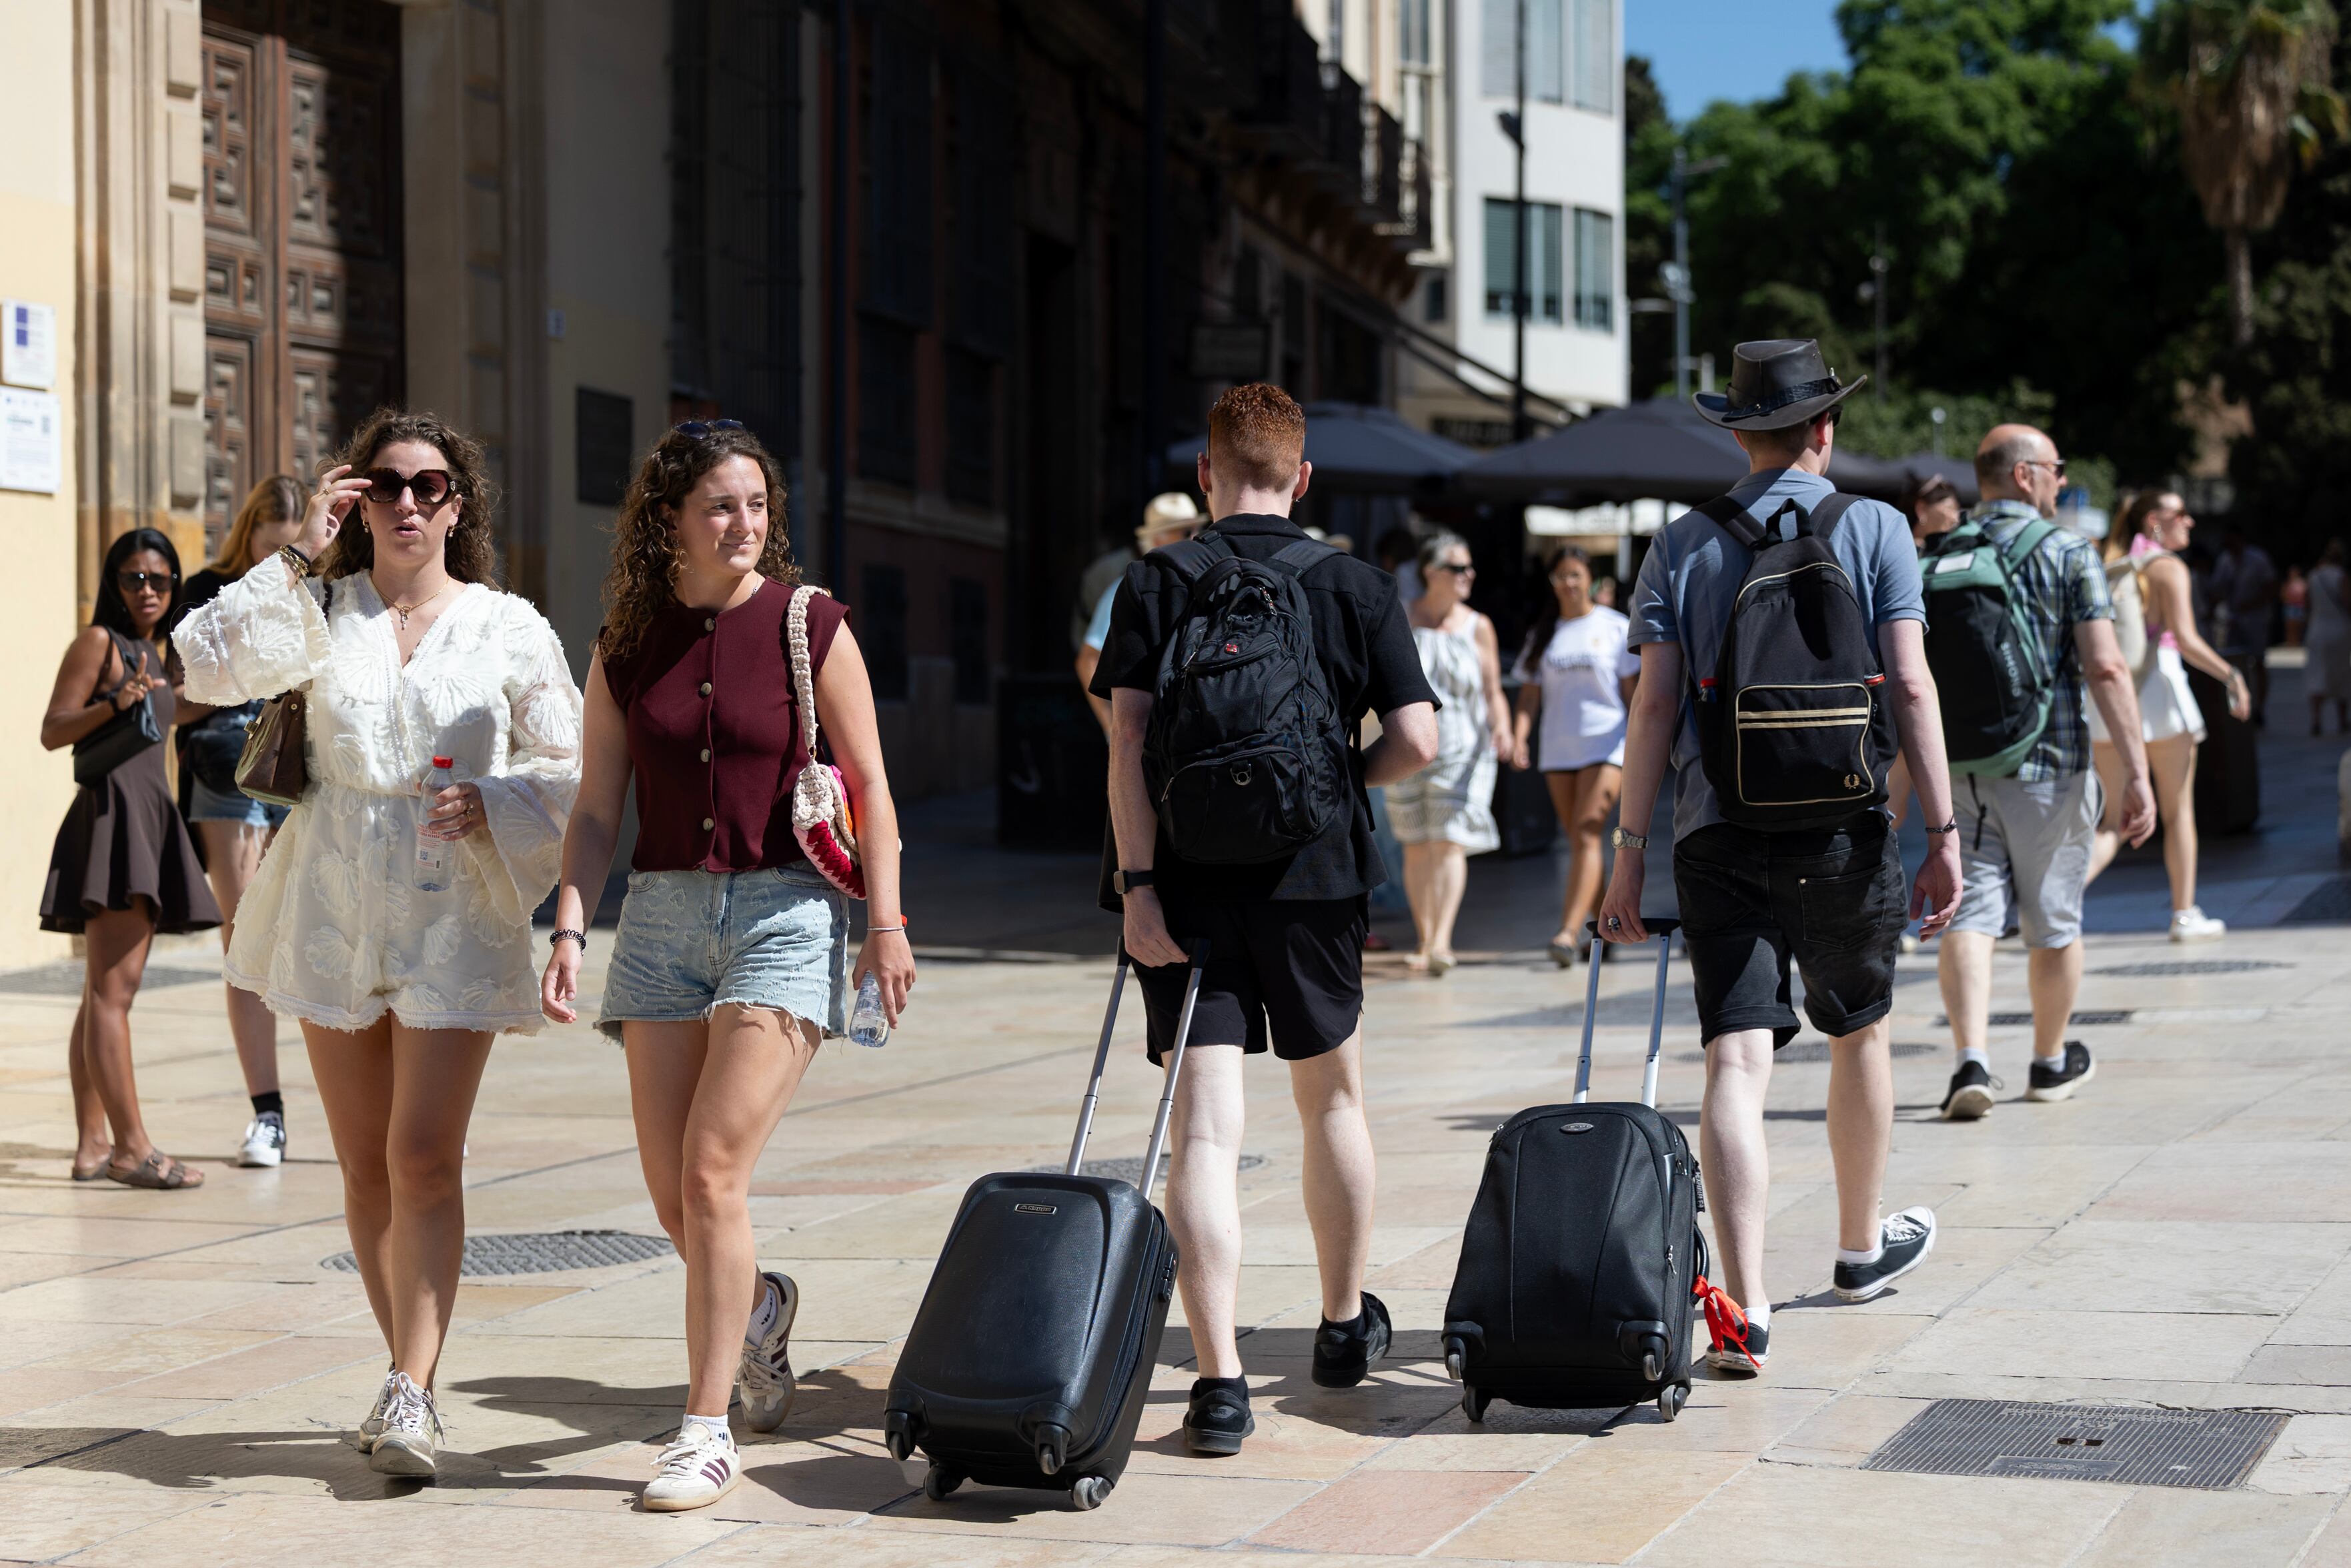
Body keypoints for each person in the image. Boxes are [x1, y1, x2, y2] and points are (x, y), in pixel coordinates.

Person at [174, 408, 582, 1479]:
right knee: (362, 1164)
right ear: (363, 499)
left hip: (454, 912)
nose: (410, 501)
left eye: (432, 484)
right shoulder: (322, 608)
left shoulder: (508, 625)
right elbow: (200, 663)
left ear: (461, 503)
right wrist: (301, 546)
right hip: (331, 899)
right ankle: (405, 1372)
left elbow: (572, 767)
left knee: (420, 1154)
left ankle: (413, 1388)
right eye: (389, 483)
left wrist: (497, 804)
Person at [541, 420, 915, 1512]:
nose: (744, 524)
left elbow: (872, 787)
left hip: (787, 917)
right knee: (673, 1197)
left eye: (756, 505)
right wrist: (569, 926)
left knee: (712, 1173)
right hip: (658, 921)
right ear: (671, 520)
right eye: (720, 506)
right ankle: (758, 1307)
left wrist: (884, 923)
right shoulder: (626, 643)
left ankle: (705, 1431)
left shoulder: (812, 624)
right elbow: (596, 810)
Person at [1597, 339, 1964, 1373]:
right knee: (1860, 1029)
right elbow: (1911, 684)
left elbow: (1654, 704)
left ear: (1737, 433)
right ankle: (1857, 1245)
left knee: (1735, 1056)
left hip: (1715, 829)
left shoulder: (1680, 543)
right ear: (1824, 428)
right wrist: (1939, 832)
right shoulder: (1879, 526)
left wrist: (1627, 853)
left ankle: (1745, 1310)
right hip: (1845, 825)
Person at [1091, 382, 1438, 1457]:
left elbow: (1125, 746)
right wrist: (1341, 782)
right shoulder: (1354, 584)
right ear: (1302, 477)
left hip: (1185, 887)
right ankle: (1341, 1326)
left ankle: (1219, 1383)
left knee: (1202, 1129)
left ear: (1205, 471)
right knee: (1331, 1097)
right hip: (1318, 880)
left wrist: (1138, 886)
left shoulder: (1155, 582)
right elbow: (1421, 740)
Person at [1935, 425, 2155, 1124]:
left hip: (1962, 765)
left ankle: (1971, 1058)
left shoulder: (1941, 551)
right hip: (2050, 762)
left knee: (1970, 914)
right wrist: (2138, 771)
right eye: (2056, 469)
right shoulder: (2067, 552)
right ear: (2026, 475)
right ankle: (2050, 1059)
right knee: (2053, 917)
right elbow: (2107, 665)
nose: (2062, 481)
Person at [41, 528, 221, 1189]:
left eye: (161, 580)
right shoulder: (101, 645)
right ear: (112, 584)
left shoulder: (157, 652)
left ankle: (93, 1143)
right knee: (115, 996)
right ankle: (131, 1147)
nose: (148, 590)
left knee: (101, 996)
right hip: (114, 823)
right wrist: (115, 701)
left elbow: (178, 712)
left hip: (147, 820)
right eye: (133, 578)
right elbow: (52, 728)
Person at [170, 475, 305, 1167]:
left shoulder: (318, 588)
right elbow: (182, 694)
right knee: (245, 934)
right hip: (226, 771)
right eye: (268, 548)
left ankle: (387, 1106)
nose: (277, 562)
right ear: (248, 534)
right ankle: (268, 1113)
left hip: (301, 775)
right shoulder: (206, 591)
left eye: (291, 550)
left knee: (318, 929)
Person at [2084, 491, 2250, 940]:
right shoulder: (2167, 568)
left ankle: (2050, 904)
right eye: (2181, 514)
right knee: (2178, 813)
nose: (2190, 522)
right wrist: (2231, 675)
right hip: (2160, 694)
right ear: (2155, 521)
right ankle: (2183, 913)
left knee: (2111, 820)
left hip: (2110, 701)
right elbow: (2187, 639)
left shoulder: (2110, 563)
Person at [1383, 534, 1508, 974]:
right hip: (1407, 746)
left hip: (1463, 746)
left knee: (1449, 842)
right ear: (1431, 572)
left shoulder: (1478, 625)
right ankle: (1423, 938)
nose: (1468, 575)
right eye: (1458, 567)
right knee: (1416, 845)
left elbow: (1492, 690)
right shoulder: (1402, 618)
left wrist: (1506, 730)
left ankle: (1441, 940)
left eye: (1469, 567)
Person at [1510, 544, 1639, 968]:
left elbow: (1631, 694)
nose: (1568, 583)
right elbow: (1529, 696)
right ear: (1552, 582)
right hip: (1559, 747)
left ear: (1590, 580)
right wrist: (1519, 737)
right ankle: (1612, 929)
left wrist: (1645, 744)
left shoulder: (1616, 627)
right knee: (1581, 842)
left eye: (1576, 575)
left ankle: (1568, 932)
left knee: (1586, 831)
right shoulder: (1543, 634)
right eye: (1561, 575)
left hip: (1607, 743)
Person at [1075, 492, 1202, 735]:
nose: (1195, 537)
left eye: (1198, 529)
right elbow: (1088, 659)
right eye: (1186, 532)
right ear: (1157, 539)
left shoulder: (1199, 583)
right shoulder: (1129, 588)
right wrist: (1114, 729)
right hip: (1150, 742)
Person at [2212, 526, 2278, 724]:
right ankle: (2236, 704)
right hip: (2232, 620)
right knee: (2232, 661)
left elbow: (2271, 587)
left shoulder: (2258, 559)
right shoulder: (2225, 561)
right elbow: (2217, 588)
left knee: (2258, 662)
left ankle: (2260, 708)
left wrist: (2252, 604)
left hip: (2255, 619)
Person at [2306, 540, 2351, 736]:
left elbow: (2307, 606)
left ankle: (2316, 719)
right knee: (2341, 674)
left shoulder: (2313, 576)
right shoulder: (2342, 576)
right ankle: (2342, 720)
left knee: (2317, 674)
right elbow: (2348, 602)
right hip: (2339, 630)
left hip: (2317, 629)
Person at [1901, 471, 1962, 552]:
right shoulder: (1901, 549)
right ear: (1922, 509)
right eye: (1950, 508)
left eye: (1957, 510)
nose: (1956, 518)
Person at [2283, 564, 2308, 649]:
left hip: (2300, 606)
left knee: (2300, 625)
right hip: (2290, 606)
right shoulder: (2288, 582)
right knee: (2290, 625)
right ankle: (2291, 642)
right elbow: (2283, 594)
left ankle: (2299, 642)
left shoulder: (2302, 582)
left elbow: (2306, 594)